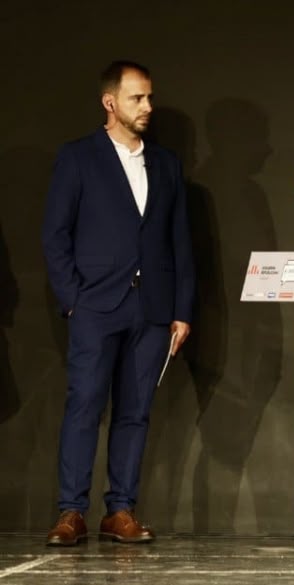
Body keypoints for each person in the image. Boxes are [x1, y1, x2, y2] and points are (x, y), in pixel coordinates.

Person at [41, 60, 195, 546]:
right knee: (84, 405)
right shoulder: (78, 157)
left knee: (136, 411)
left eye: (149, 98)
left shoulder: (167, 163)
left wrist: (182, 309)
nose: (148, 107)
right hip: (95, 305)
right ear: (111, 103)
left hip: (151, 308)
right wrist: (73, 301)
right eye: (137, 98)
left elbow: (179, 242)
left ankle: (121, 509)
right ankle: (71, 511)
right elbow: (55, 234)